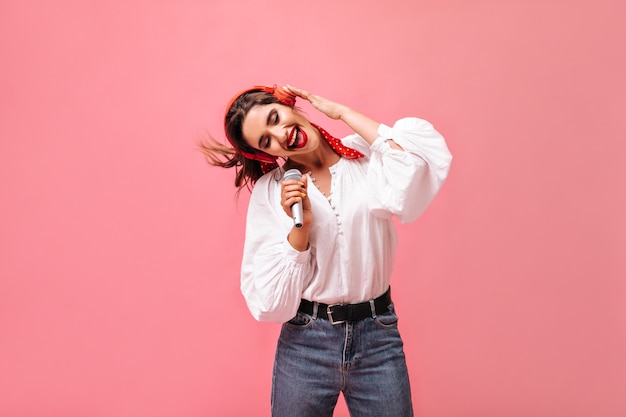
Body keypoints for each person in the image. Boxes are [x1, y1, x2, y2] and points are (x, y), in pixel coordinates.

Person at [201, 84, 452, 417]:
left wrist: (343, 113)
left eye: (275, 117)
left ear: (288, 106)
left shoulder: (364, 155)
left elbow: (415, 165)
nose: (281, 135)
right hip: (307, 342)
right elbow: (269, 303)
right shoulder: (272, 192)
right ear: (265, 154)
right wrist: (300, 227)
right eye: (266, 141)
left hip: (377, 336)